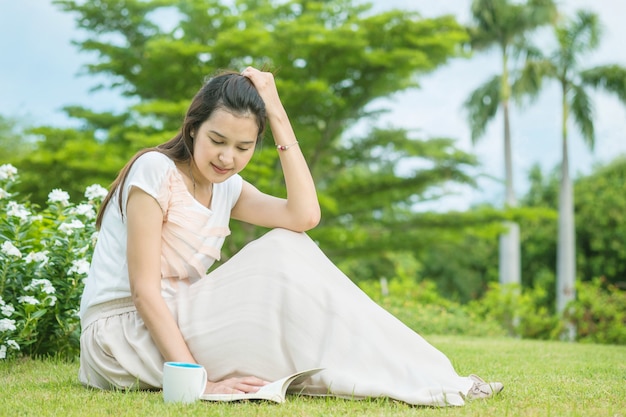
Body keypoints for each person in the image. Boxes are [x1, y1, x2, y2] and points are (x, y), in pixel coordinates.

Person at [78, 66, 503, 407]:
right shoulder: (155, 171)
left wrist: (278, 114)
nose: (227, 157)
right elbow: (143, 292)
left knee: (290, 244)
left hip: (180, 318)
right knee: (279, 253)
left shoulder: (226, 187)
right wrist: (195, 381)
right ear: (192, 129)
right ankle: (419, 378)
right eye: (217, 140)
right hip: (123, 335)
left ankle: (429, 374)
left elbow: (304, 215)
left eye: (244, 147)